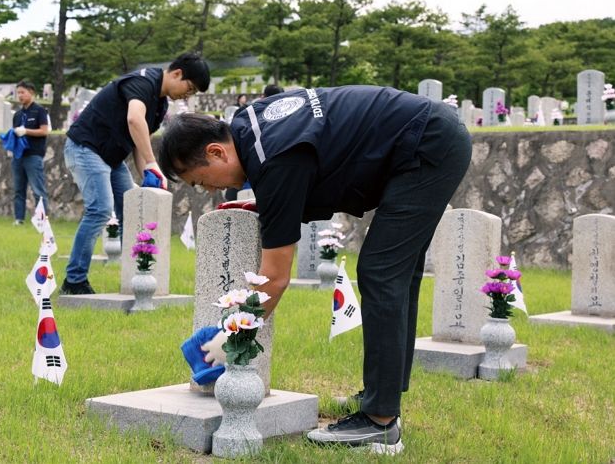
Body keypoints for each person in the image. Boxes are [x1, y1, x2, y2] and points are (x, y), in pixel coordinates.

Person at [158, 85, 472, 455]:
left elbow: (275, 278)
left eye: (201, 180)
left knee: (381, 271)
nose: (209, 190)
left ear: (215, 151)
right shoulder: (249, 127)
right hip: (427, 134)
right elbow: (305, 170)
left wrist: (230, 339)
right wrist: (273, 205)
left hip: (427, 143)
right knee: (396, 273)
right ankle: (380, 396)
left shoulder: (272, 156)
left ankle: (379, 422)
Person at [60, 52, 210, 295]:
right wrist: (152, 161)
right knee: (100, 209)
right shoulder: (143, 82)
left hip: (111, 158)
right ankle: (74, 281)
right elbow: (134, 119)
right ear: (177, 73)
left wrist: (150, 176)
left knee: (132, 208)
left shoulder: (160, 105)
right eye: (189, 88)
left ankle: (136, 277)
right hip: (85, 147)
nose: (187, 95)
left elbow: (140, 143)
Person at [11, 80, 49, 225]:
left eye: (22, 92)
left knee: (38, 189)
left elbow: (44, 131)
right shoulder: (18, 114)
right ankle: (19, 219)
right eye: (18, 93)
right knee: (18, 190)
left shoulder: (39, 111)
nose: (20, 96)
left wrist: (26, 131)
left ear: (31, 92)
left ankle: (42, 220)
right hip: (18, 155)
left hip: (34, 154)